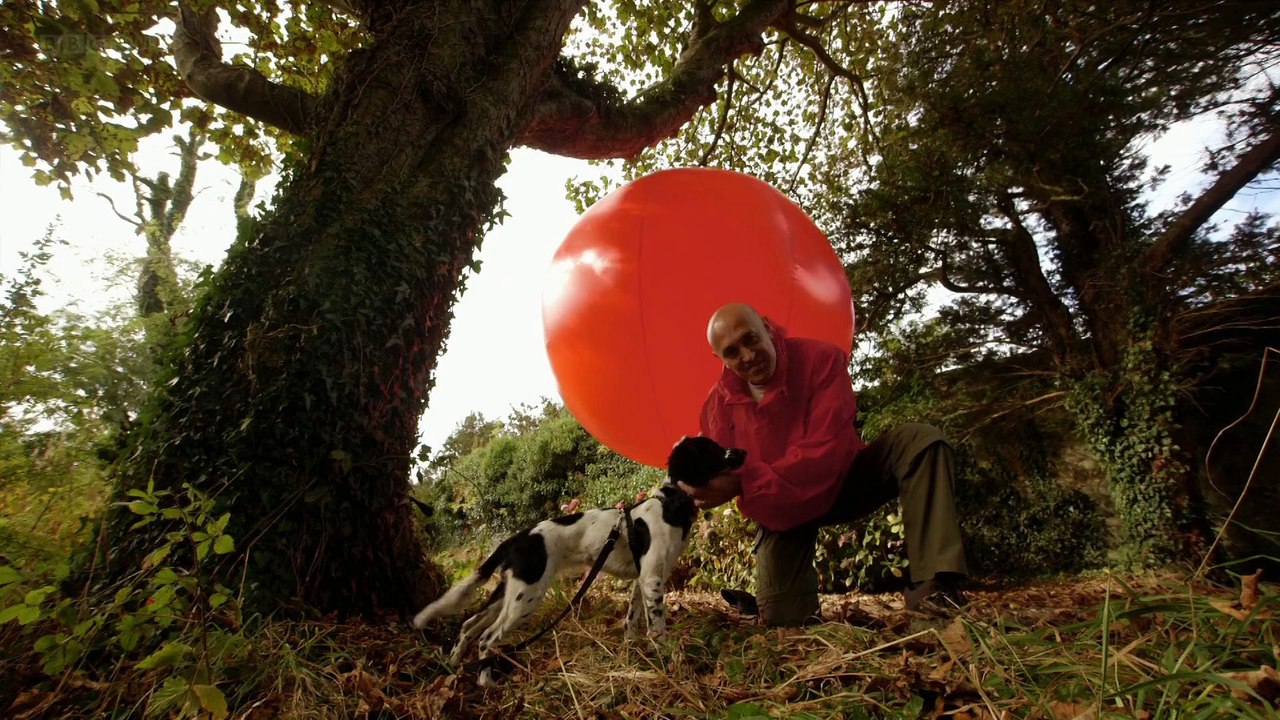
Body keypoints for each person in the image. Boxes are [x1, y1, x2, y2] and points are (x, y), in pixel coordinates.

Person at [676, 302, 969, 627]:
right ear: (721, 360)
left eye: (751, 339)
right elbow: (716, 473)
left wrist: (744, 481)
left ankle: (934, 597)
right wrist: (693, 484)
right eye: (732, 352)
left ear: (768, 327)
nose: (747, 356)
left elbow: (825, 451)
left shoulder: (822, 359)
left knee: (920, 442)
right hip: (782, 512)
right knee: (786, 623)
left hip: (846, 479)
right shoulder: (716, 408)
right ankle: (763, 605)